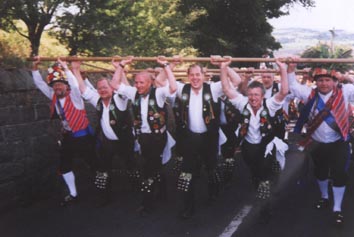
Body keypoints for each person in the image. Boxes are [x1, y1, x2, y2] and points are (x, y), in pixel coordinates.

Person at [220, 57, 288, 222]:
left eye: (256, 94)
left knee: (264, 180)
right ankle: (263, 186)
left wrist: (282, 69)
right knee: (256, 176)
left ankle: (265, 208)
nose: (253, 98)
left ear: (263, 96)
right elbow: (227, 90)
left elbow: (284, 91)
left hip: (267, 147)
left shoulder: (270, 104)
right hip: (249, 148)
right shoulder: (242, 103)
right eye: (250, 94)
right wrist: (223, 68)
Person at [110, 56, 177, 215]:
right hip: (143, 138)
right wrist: (120, 66)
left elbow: (173, 88)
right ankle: (163, 193)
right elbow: (114, 85)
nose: (138, 85)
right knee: (155, 166)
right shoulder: (134, 94)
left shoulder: (159, 93)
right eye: (137, 82)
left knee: (147, 170)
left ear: (150, 83)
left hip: (157, 138)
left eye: (142, 82)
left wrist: (166, 65)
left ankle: (147, 204)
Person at [289, 62, 354, 225]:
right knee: (320, 172)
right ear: (315, 82)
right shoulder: (309, 94)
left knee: (340, 174)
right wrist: (291, 68)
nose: (324, 83)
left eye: (327, 80)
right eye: (320, 80)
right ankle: (324, 197)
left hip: (339, 142)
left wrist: (346, 77)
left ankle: (337, 208)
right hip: (317, 144)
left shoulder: (345, 92)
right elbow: (292, 85)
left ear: (334, 81)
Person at [71, 59, 138, 206]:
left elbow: (126, 87)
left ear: (113, 88)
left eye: (105, 87)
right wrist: (76, 70)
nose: (102, 90)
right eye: (99, 88)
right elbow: (83, 89)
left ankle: (137, 190)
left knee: (131, 166)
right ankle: (105, 196)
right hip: (108, 142)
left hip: (125, 141)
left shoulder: (119, 99)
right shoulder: (98, 100)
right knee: (103, 168)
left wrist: (119, 67)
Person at [31, 57, 97, 206]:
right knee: (64, 166)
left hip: (83, 136)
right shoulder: (53, 96)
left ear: (66, 86)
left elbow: (74, 84)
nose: (57, 87)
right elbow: (40, 85)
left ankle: (102, 190)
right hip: (68, 137)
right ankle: (73, 194)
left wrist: (66, 68)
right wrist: (35, 68)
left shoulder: (75, 97)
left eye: (60, 84)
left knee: (93, 163)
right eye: (55, 85)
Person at [172, 57, 227, 219]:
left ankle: (214, 193)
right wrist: (169, 66)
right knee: (186, 173)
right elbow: (161, 83)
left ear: (205, 75)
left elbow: (230, 83)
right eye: (192, 75)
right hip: (190, 138)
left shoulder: (214, 89)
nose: (195, 78)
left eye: (198, 74)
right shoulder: (182, 89)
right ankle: (188, 207)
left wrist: (223, 66)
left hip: (209, 138)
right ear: (188, 76)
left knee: (211, 169)